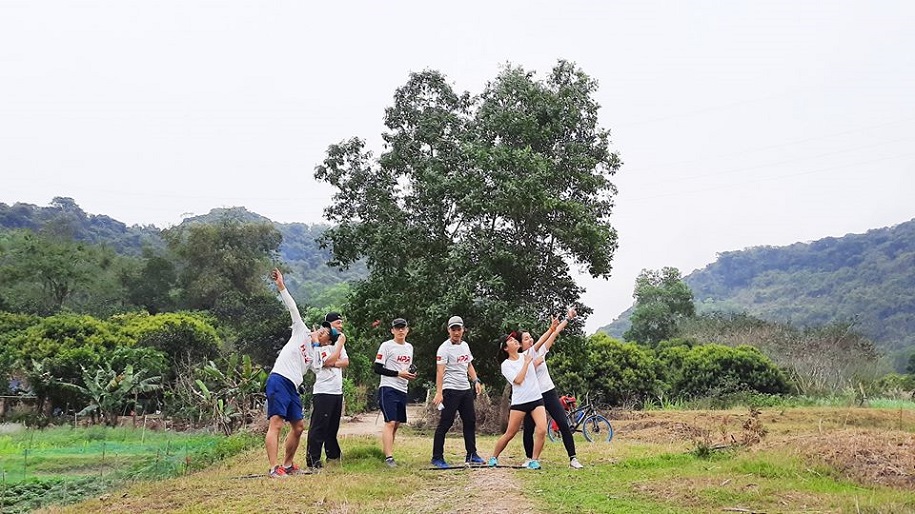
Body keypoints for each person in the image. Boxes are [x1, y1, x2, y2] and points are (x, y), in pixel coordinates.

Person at [265, 268, 332, 478]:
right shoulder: (300, 329)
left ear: (325, 342)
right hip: (278, 379)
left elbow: (320, 366)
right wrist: (281, 286)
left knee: (299, 426)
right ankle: (273, 467)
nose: (322, 332)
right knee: (276, 422)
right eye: (322, 329)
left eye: (325, 334)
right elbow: (292, 306)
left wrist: (320, 346)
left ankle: (287, 464)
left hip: (292, 386)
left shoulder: (315, 355)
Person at [520, 307, 583, 469]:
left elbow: (554, 334)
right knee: (529, 428)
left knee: (562, 422)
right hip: (533, 396)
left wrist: (568, 318)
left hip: (548, 391)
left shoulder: (540, 350)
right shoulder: (520, 359)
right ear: (520, 344)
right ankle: (529, 458)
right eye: (526, 338)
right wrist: (533, 364)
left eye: (530, 337)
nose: (530, 339)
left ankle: (573, 458)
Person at [488, 328, 552, 470]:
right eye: (510, 340)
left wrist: (552, 329)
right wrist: (526, 363)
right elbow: (518, 380)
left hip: (536, 399)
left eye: (514, 339)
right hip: (520, 402)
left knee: (542, 430)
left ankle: (534, 460)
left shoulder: (526, 354)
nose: (514, 341)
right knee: (510, 433)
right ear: (506, 348)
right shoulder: (506, 365)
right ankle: (494, 457)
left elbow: (541, 341)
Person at [431, 315, 485, 468]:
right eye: (453, 329)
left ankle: (472, 454)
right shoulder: (444, 348)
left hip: (465, 389)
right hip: (450, 390)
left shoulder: (465, 346)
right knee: (445, 423)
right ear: (448, 331)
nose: (456, 332)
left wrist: (475, 380)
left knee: (470, 421)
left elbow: (468, 364)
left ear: (463, 330)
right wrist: (439, 392)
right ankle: (437, 457)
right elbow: (440, 372)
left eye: (458, 329)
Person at [304, 312, 349, 469]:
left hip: (337, 391)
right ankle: (313, 459)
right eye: (337, 323)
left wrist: (333, 361)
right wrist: (339, 348)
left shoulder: (335, 346)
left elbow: (345, 362)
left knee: (332, 426)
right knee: (319, 426)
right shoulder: (318, 349)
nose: (340, 327)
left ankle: (333, 455)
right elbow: (327, 360)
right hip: (324, 392)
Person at [373, 317, 417, 467]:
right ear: (392, 330)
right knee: (390, 422)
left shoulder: (409, 348)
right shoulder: (386, 346)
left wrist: (410, 374)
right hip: (388, 387)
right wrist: (398, 373)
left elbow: (407, 367)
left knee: (397, 423)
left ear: (407, 330)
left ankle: (387, 451)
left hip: (402, 388)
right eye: (397, 328)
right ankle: (389, 458)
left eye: (403, 328)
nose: (400, 330)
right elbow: (377, 368)